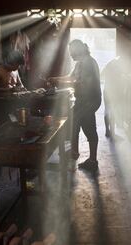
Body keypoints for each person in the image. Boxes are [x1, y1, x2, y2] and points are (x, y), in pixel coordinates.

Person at [49, 39, 101, 171]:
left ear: (78, 50)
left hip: (90, 100)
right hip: (82, 100)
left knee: (85, 127)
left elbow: (80, 83)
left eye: (71, 52)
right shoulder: (80, 63)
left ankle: (86, 158)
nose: (70, 54)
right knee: (80, 124)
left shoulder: (88, 63)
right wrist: (56, 79)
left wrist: (60, 84)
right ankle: (81, 155)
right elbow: (70, 77)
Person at [0, 50, 26, 125]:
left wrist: (22, 88)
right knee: (4, 125)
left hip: (13, 102)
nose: (18, 67)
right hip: (2, 103)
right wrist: (8, 90)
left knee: (16, 123)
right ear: (13, 62)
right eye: (17, 65)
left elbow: (20, 84)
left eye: (19, 65)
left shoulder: (15, 71)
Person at [101, 57, 123, 138]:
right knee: (113, 111)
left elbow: (101, 75)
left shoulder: (109, 63)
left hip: (107, 90)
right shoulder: (120, 65)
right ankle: (112, 132)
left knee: (107, 110)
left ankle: (107, 130)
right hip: (115, 91)